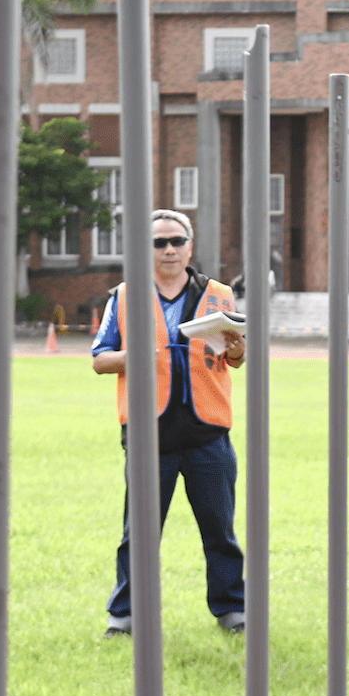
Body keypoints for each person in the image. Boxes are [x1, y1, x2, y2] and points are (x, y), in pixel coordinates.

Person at [90, 209, 246, 637]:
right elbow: (100, 358)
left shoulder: (219, 294)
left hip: (207, 431)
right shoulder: (124, 296)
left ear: (190, 246)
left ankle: (233, 610)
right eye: (159, 243)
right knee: (137, 533)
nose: (169, 250)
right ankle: (123, 616)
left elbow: (234, 358)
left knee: (220, 529)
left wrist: (236, 348)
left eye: (176, 241)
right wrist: (132, 357)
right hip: (147, 432)